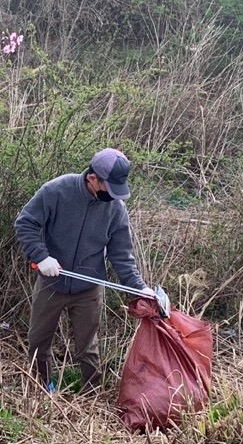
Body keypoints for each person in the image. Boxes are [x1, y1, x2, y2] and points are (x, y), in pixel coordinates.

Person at [15, 149, 155, 392]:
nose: (113, 196)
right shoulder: (56, 190)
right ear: (93, 178)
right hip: (51, 283)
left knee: (87, 347)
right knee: (38, 341)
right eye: (108, 189)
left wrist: (139, 288)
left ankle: (90, 393)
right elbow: (25, 223)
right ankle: (42, 389)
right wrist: (41, 256)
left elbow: (121, 255)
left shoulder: (115, 210)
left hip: (89, 288)